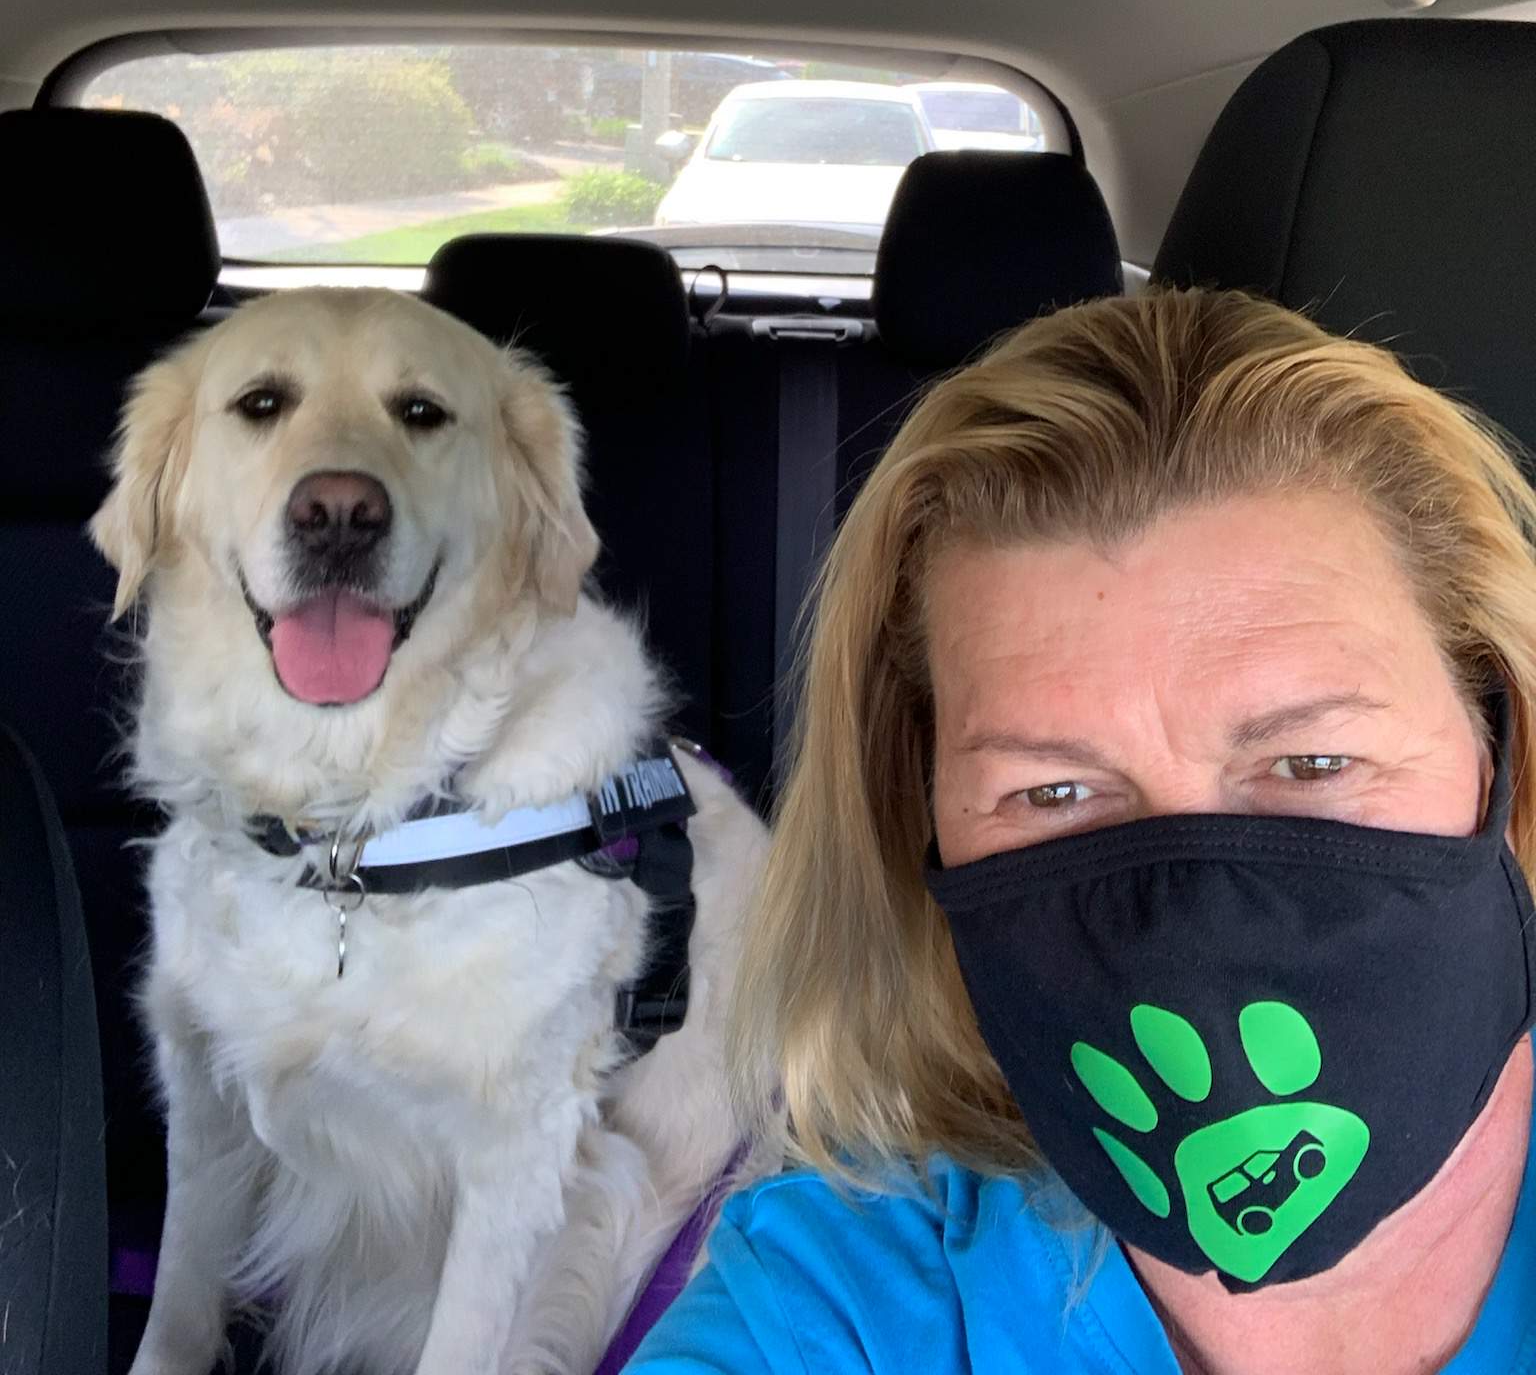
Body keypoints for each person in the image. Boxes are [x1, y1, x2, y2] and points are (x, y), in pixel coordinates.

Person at [629, 287, 1536, 1375]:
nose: (1197, 937)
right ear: (918, 813)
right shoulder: (840, 1292)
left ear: (1502, 735)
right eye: (1054, 791)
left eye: (1313, 762)